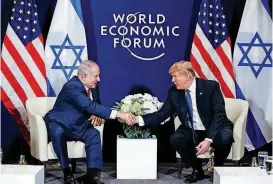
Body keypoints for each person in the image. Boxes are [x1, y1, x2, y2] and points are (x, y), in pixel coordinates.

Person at [127, 61, 233, 183]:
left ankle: (218, 168)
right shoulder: (174, 92)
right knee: (176, 138)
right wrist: (138, 119)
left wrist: (208, 139)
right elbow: (162, 114)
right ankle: (197, 170)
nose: (172, 80)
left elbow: (219, 114)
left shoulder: (210, 87)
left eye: (175, 76)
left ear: (186, 76)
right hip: (192, 129)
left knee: (225, 137)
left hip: (215, 126)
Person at [44, 60, 135, 184]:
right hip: (61, 123)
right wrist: (119, 114)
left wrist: (98, 115)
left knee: (94, 135)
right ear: (84, 76)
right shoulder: (72, 87)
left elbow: (95, 106)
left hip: (79, 124)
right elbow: (90, 106)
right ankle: (67, 172)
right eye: (96, 76)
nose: (99, 79)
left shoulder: (93, 87)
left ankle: (92, 176)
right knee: (57, 132)